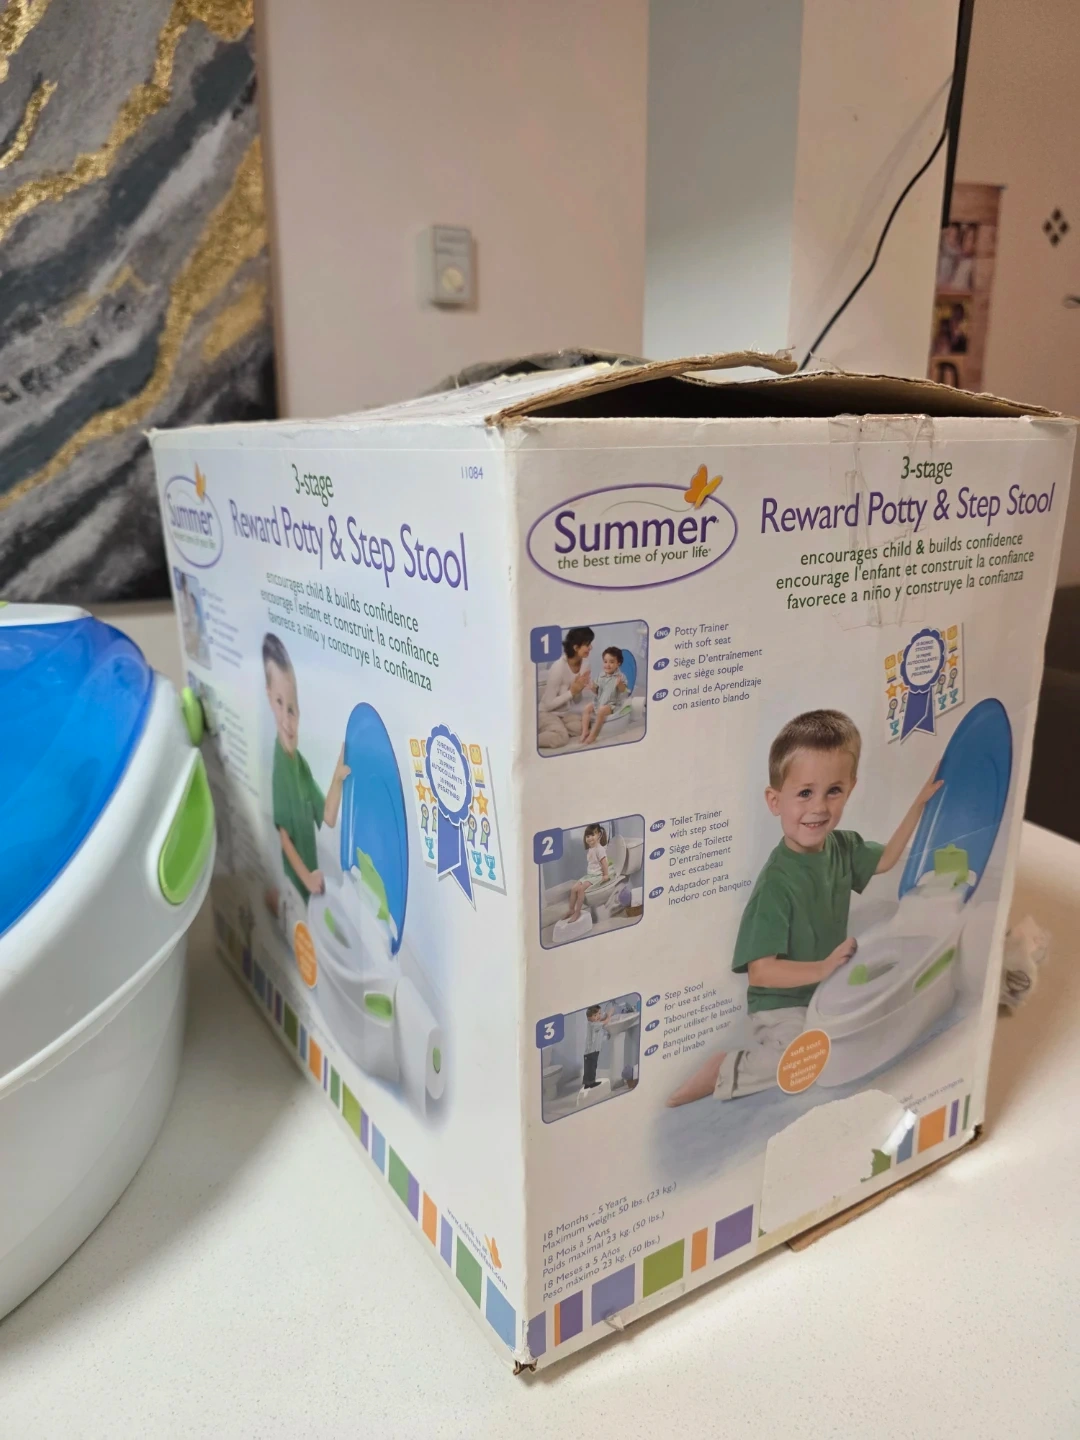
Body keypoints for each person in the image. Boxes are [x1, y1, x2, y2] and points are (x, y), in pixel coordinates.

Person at [667, 710, 941, 1106]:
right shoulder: (776, 884)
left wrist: (919, 805)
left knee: (871, 1022)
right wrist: (823, 968)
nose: (819, 808)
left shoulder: (843, 846)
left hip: (824, 986)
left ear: (851, 788)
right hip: (783, 1003)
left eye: (834, 791)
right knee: (809, 1058)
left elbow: (884, 860)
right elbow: (761, 972)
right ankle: (724, 1069)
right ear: (775, 800)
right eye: (804, 793)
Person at [262, 633, 350, 931]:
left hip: (310, 888)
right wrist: (308, 878)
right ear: (269, 698)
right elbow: (285, 839)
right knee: (299, 933)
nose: (288, 721)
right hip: (298, 885)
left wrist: (337, 777)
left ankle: (278, 902)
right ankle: (277, 901)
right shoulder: (280, 767)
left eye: (292, 709)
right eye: (279, 703)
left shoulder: (299, 765)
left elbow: (327, 816)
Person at [537, 626, 594, 750]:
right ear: (576, 647)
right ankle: (531, 738)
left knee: (586, 725)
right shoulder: (558, 667)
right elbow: (547, 705)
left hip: (564, 714)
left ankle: (555, 728)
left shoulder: (585, 664)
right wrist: (571, 692)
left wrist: (578, 690)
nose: (591, 647)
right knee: (562, 738)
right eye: (587, 644)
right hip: (546, 712)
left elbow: (577, 700)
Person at [580, 646, 628, 744]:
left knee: (601, 710)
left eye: (611, 662)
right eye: (605, 662)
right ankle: (585, 731)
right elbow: (597, 692)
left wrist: (620, 684)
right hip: (600, 701)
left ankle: (593, 735)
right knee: (587, 708)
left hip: (612, 704)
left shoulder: (620, 676)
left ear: (618, 663)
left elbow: (623, 690)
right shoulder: (601, 675)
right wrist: (592, 687)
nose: (607, 665)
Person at [566, 823, 610, 923]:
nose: (589, 838)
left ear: (599, 835)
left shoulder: (600, 849)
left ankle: (577, 912)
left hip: (597, 876)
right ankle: (571, 910)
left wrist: (606, 875)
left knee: (580, 889)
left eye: (592, 835)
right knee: (573, 889)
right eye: (587, 836)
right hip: (590, 875)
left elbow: (604, 863)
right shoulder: (591, 848)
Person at [582, 1004, 613, 1088]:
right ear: (589, 1018)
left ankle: (587, 1083)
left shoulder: (593, 1022)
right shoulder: (593, 1025)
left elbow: (600, 1020)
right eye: (595, 1015)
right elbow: (605, 1022)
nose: (598, 1016)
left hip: (591, 1051)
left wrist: (604, 1015)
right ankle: (591, 1083)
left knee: (589, 1067)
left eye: (599, 1013)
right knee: (591, 1067)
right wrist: (609, 1015)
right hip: (591, 1051)